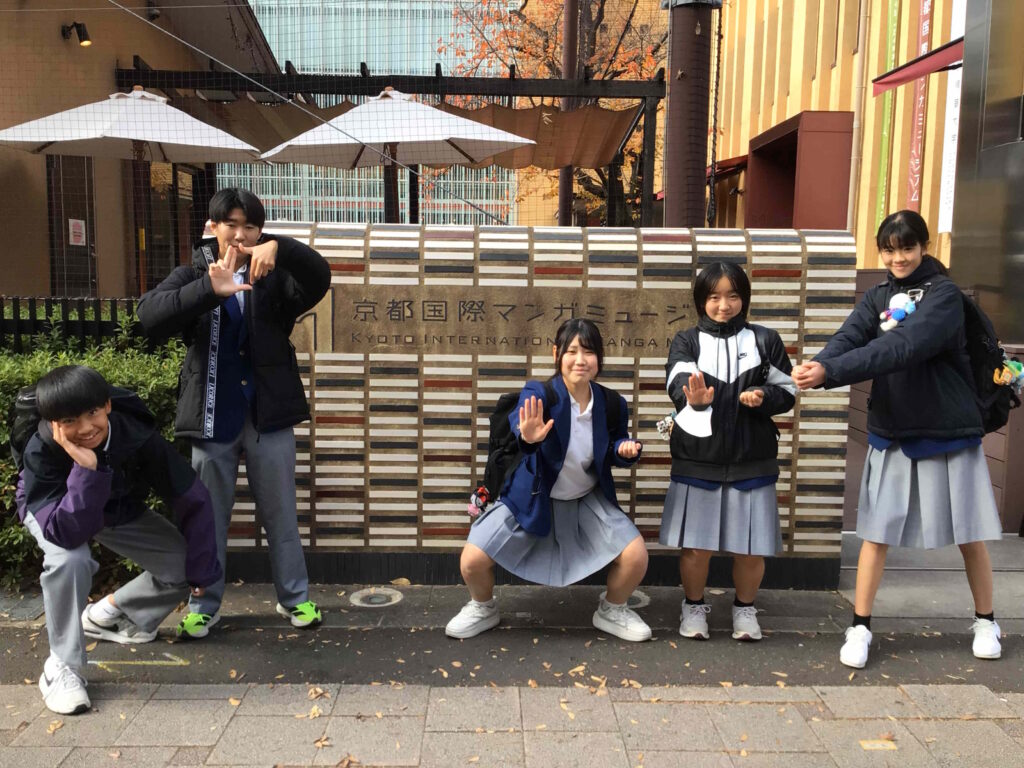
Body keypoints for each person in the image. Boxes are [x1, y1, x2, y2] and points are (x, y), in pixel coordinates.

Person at [792, 210, 1003, 669]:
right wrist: (820, 364)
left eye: (907, 247)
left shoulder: (944, 296)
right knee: (876, 532)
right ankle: (860, 626)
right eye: (889, 250)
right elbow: (850, 335)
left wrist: (833, 372)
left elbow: (903, 346)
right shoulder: (878, 296)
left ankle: (986, 621)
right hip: (893, 431)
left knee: (970, 534)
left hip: (948, 430)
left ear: (925, 247)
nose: (898, 257)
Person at [137, 188, 331, 639]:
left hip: (268, 415)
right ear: (214, 227)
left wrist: (281, 247)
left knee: (281, 512)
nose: (240, 235)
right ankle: (203, 605)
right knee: (208, 516)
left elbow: (319, 277)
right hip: (211, 417)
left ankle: (296, 598)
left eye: (250, 226)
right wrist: (209, 288)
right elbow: (149, 316)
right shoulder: (192, 273)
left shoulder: (275, 277)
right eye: (232, 224)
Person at [15, 365, 221, 715]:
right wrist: (86, 470)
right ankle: (62, 667)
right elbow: (67, 532)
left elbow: (193, 496)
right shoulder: (41, 449)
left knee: (183, 565)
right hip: (57, 512)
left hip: (115, 506)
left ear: (107, 405)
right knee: (70, 560)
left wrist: (201, 569)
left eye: (92, 413)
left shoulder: (136, 435)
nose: (85, 428)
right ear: (53, 423)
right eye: (70, 420)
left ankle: (108, 613)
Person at [446, 318, 651, 642]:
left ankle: (612, 609)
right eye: (572, 351)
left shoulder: (612, 403)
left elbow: (612, 447)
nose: (580, 360)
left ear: (599, 358)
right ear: (557, 354)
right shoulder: (540, 393)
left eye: (589, 351)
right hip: (533, 495)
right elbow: (522, 430)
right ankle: (482, 606)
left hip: (585, 498)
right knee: (472, 560)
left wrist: (623, 450)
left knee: (636, 557)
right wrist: (528, 436)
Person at [660, 262, 796, 642]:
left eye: (733, 296)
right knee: (696, 548)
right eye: (714, 297)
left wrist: (764, 396)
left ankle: (745, 610)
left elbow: (787, 390)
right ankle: (693, 607)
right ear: (701, 300)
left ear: (744, 299)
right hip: (697, 458)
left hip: (752, 458)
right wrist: (694, 399)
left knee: (751, 549)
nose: (724, 305)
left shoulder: (765, 339)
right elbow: (676, 381)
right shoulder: (687, 340)